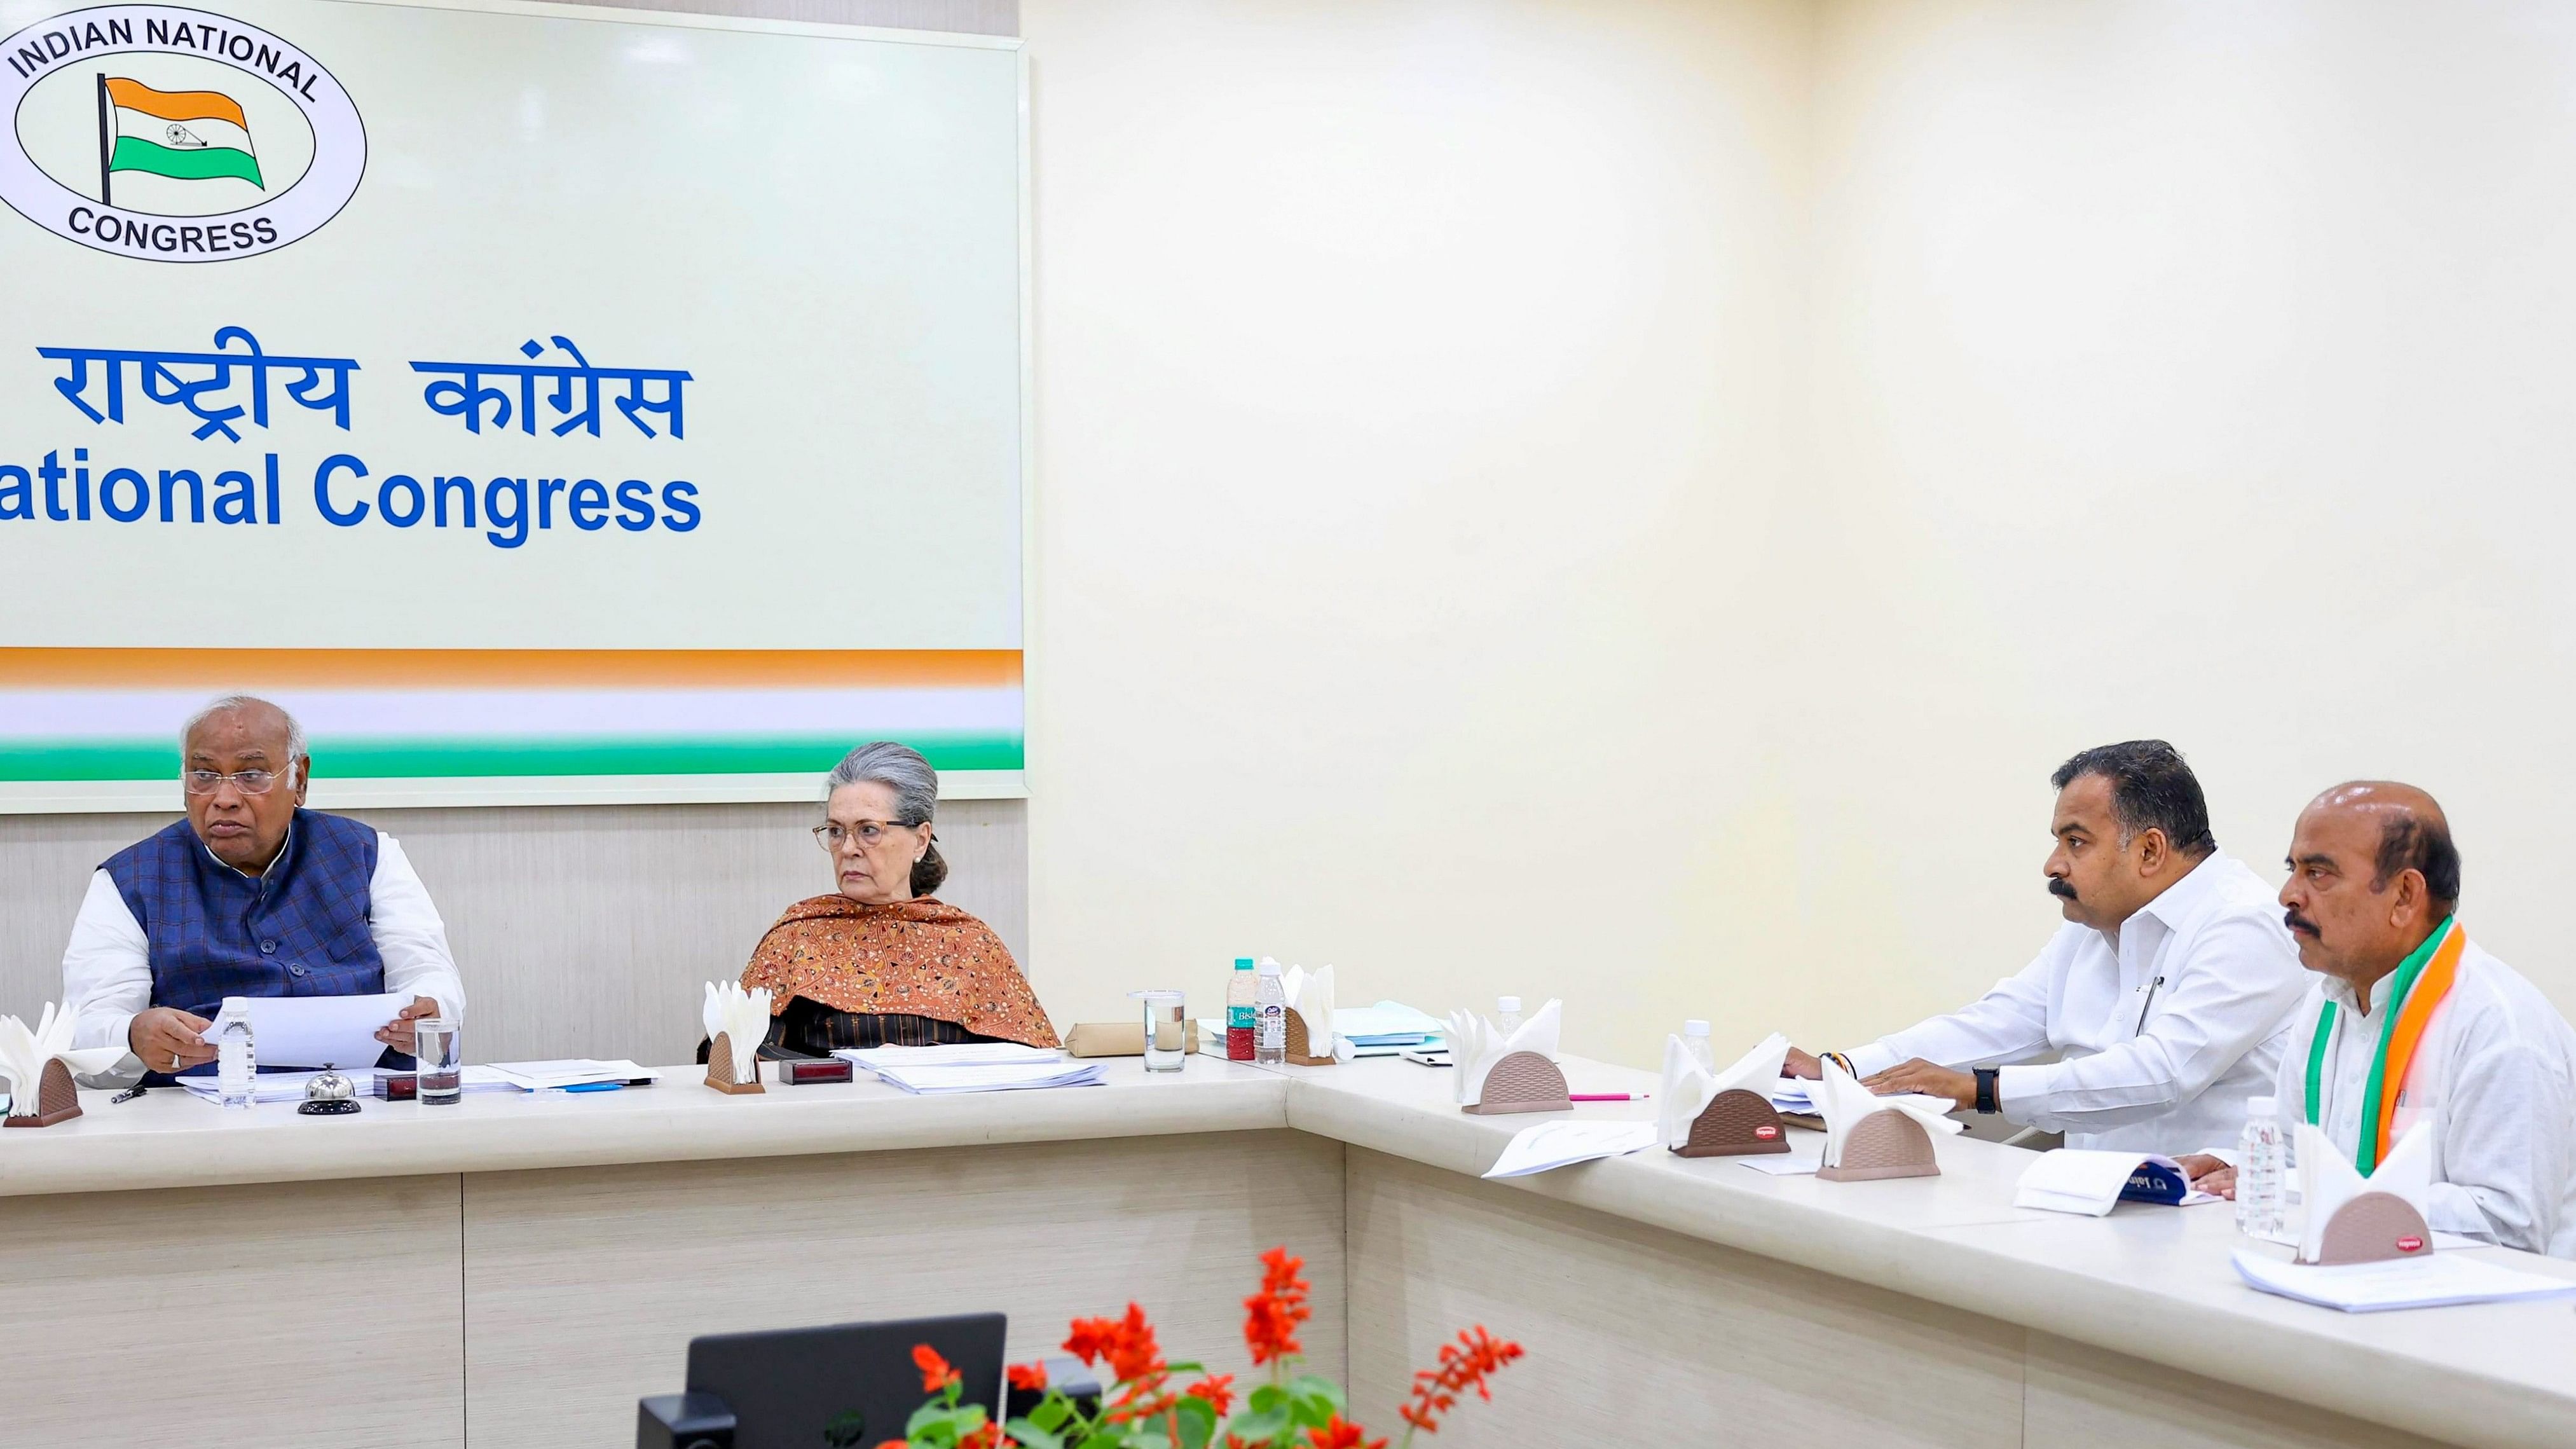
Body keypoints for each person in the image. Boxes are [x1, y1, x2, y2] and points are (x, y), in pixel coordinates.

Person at [1785, 740, 2307, 1151]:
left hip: (2206, 1217)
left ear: (2150, 850)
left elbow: (2163, 1072)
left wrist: (1981, 1090)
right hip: (2094, 1204)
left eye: (2075, 842)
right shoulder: (2092, 925)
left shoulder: (2244, 924)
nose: (2053, 864)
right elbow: (1999, 1021)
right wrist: (1846, 1068)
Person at [2179, 783, 2576, 1256]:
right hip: (2359, 1288)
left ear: (2405, 895)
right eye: (2294, 869)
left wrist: (2338, 1195)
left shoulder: (2500, 1026)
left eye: (2319, 873)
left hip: (2489, 1314)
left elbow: (2508, 1225)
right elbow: (2297, 1155)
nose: (2288, 894)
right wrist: (2249, 1170)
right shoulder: (2326, 1004)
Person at [62, 696, 465, 1079]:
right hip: (202, 1114)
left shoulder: (368, 853)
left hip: (365, 1100)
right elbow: (88, 1030)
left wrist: (429, 1014)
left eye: (251, 775)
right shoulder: (129, 879)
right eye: (203, 775)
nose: (224, 798)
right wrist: (133, 1036)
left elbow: (428, 974)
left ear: (300, 780)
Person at [737, 741, 1058, 1053]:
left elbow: (1031, 1065)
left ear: (920, 840)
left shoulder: (968, 943)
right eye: (835, 831)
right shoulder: (798, 935)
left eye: (868, 830)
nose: (848, 849)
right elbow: (740, 1056)